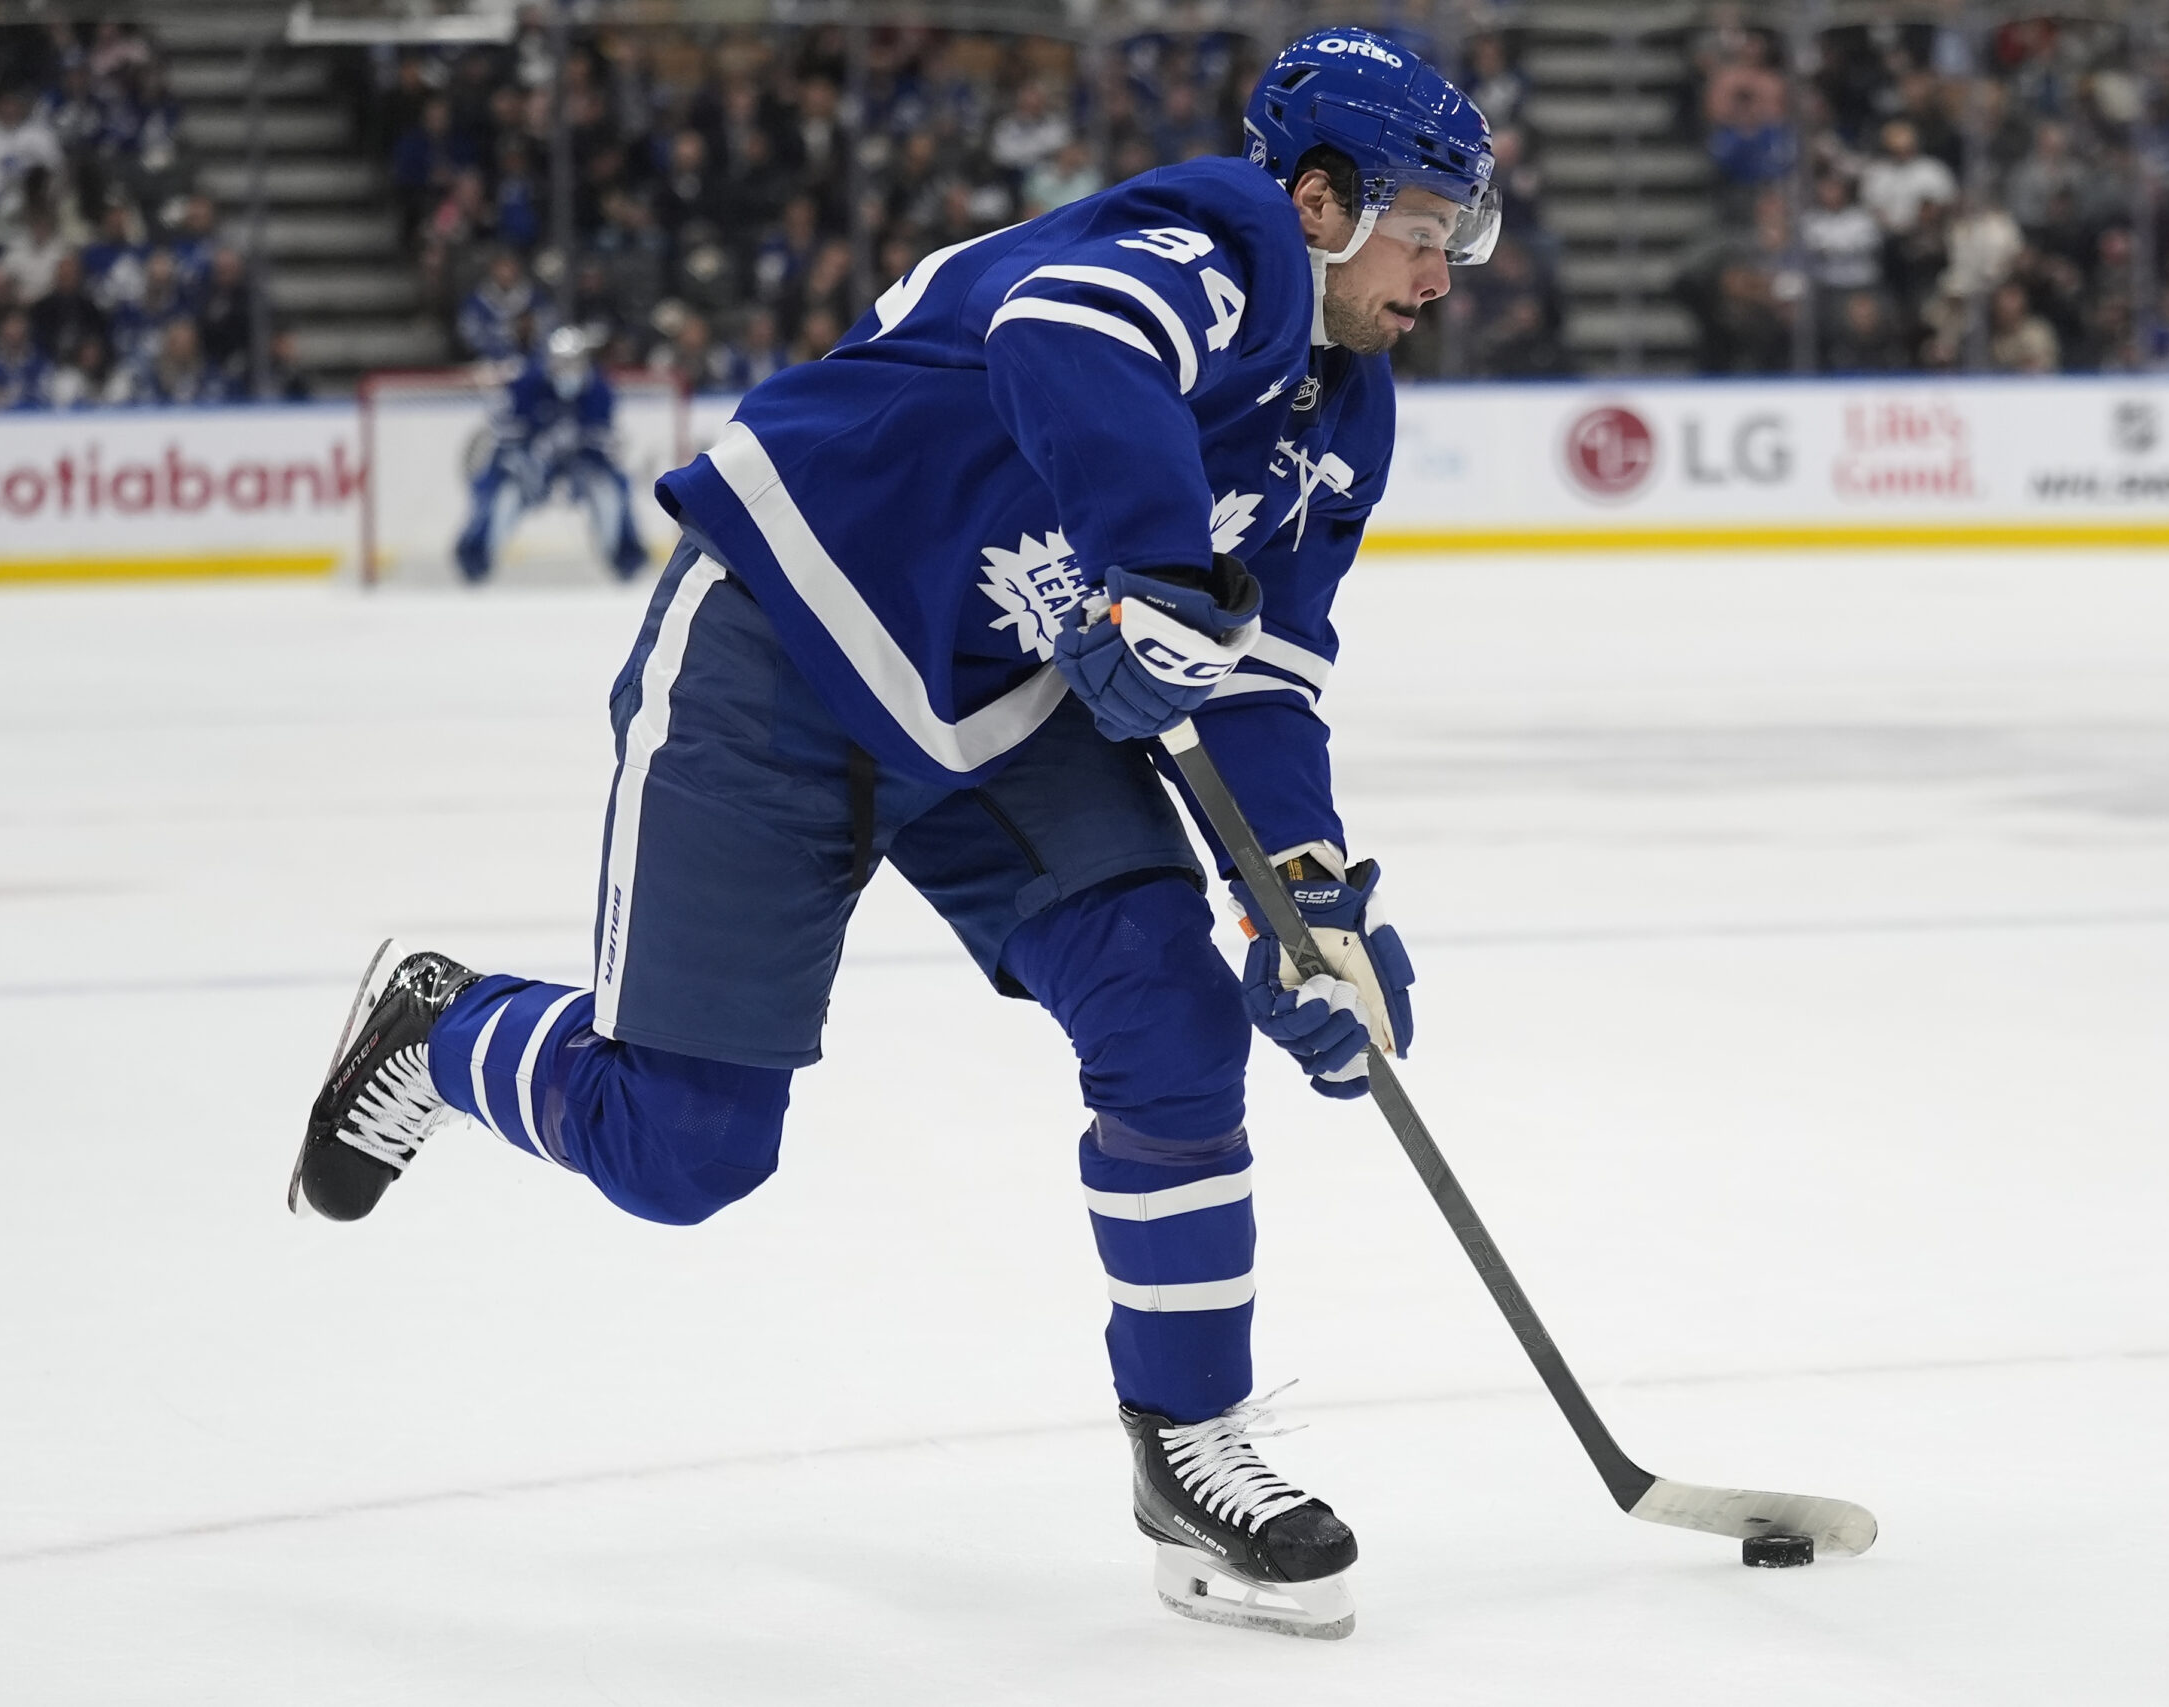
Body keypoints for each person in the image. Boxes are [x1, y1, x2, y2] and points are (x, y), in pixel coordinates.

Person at [287, 26, 1499, 1641]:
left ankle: (1189, 1446)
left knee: (1175, 1013)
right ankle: (445, 1031)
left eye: (1457, 243)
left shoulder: (1345, 416)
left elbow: (1264, 677)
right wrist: (1153, 575)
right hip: (783, 647)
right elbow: (1067, 339)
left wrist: (1306, 896)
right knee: (683, 1149)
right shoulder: (1219, 248)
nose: (1438, 276)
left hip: (997, 704)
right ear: (1325, 197)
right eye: (1423, 231)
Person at [451, 325, 650, 581]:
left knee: (612, 493)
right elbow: (505, 434)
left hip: (581, 463)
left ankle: (625, 558)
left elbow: (605, 442)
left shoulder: (598, 389)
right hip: (531, 462)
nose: (566, 369)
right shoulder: (527, 384)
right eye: (560, 362)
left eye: (573, 362)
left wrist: (584, 453)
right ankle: (475, 558)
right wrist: (524, 461)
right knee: (499, 494)